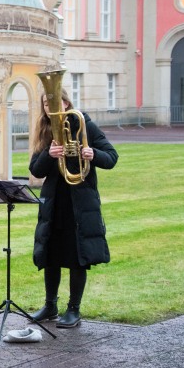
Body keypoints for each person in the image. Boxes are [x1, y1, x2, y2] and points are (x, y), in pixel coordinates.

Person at [28, 89, 118, 328]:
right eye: (46, 104)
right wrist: (49, 154)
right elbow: (36, 170)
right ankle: (50, 306)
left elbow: (111, 157)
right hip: (55, 201)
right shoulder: (45, 131)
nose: (50, 107)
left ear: (66, 102)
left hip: (80, 202)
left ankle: (74, 309)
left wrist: (92, 153)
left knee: (78, 256)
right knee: (51, 255)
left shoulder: (84, 124)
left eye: (54, 102)